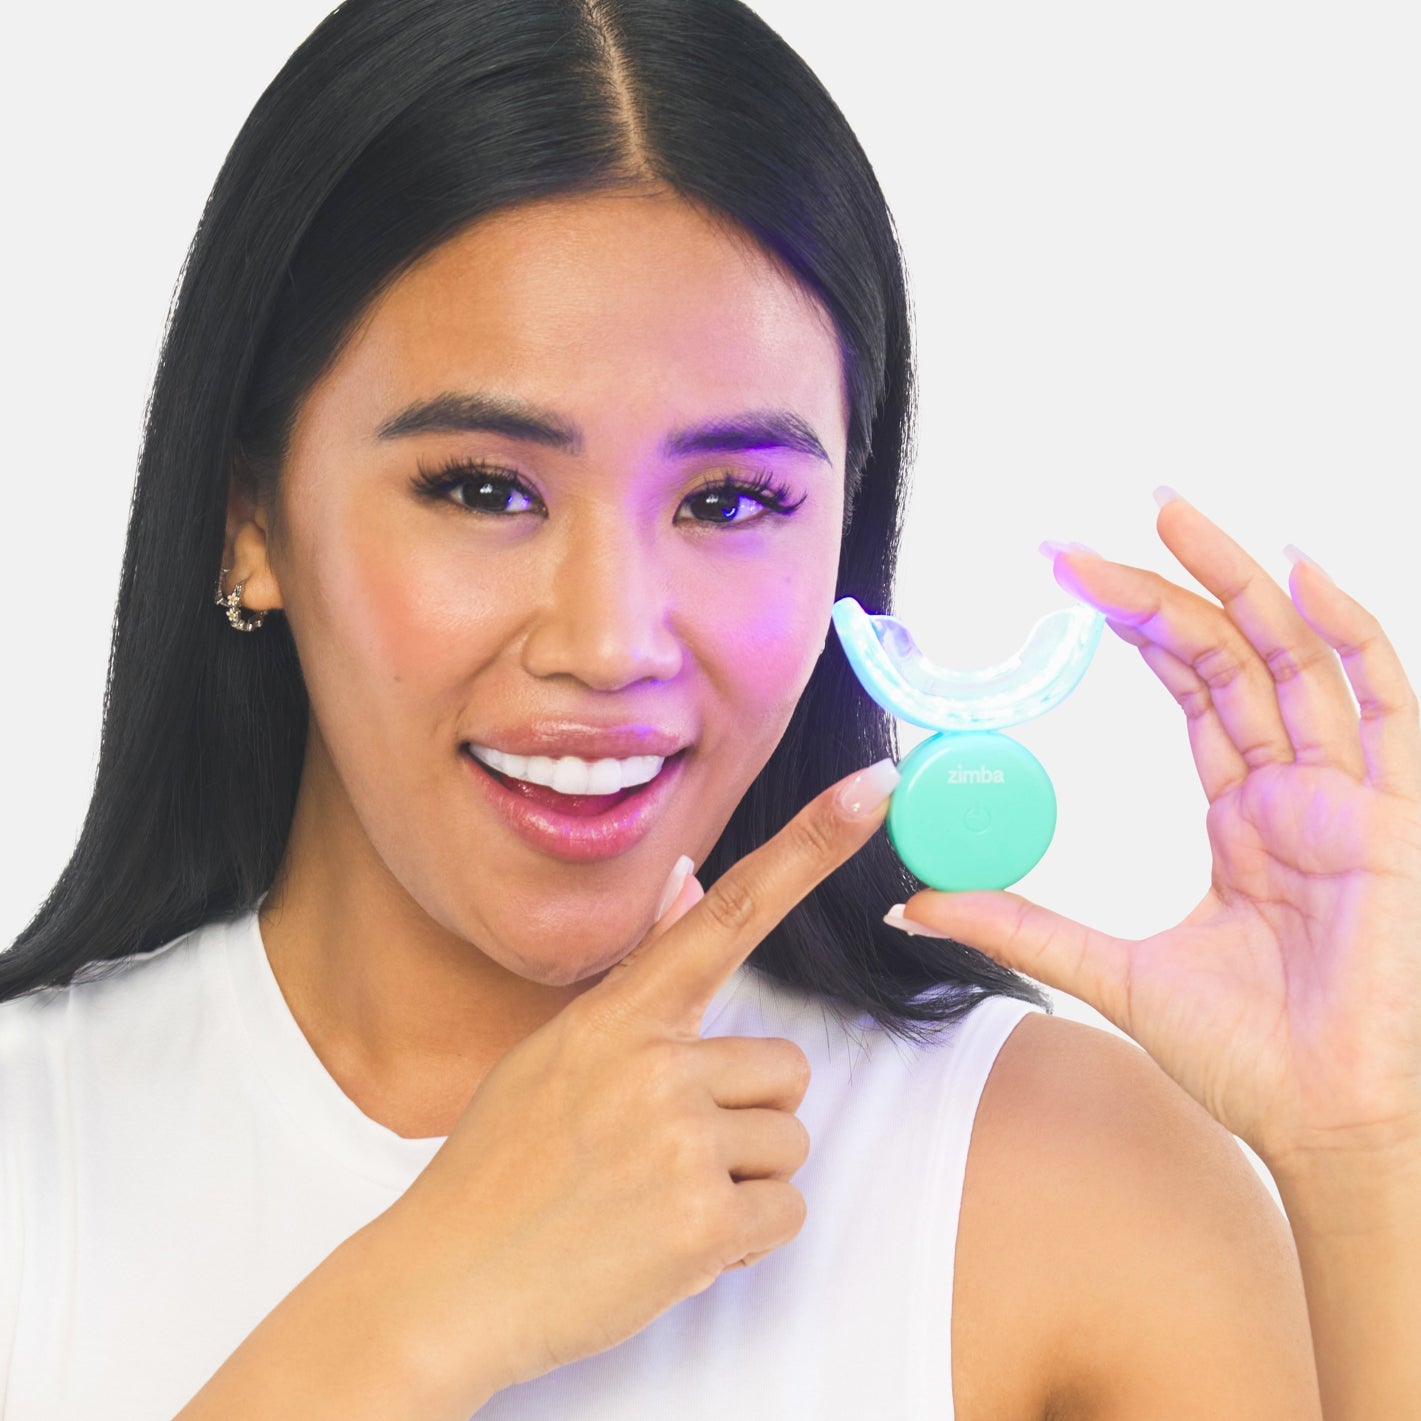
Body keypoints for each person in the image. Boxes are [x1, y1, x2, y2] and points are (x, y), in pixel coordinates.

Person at [1, 0, 1416, 1417]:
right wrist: (421, 1308)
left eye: (730, 501)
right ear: (251, 517)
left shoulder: (1067, 1181)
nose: (612, 641)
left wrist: (1367, 1155)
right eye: (485, 489)